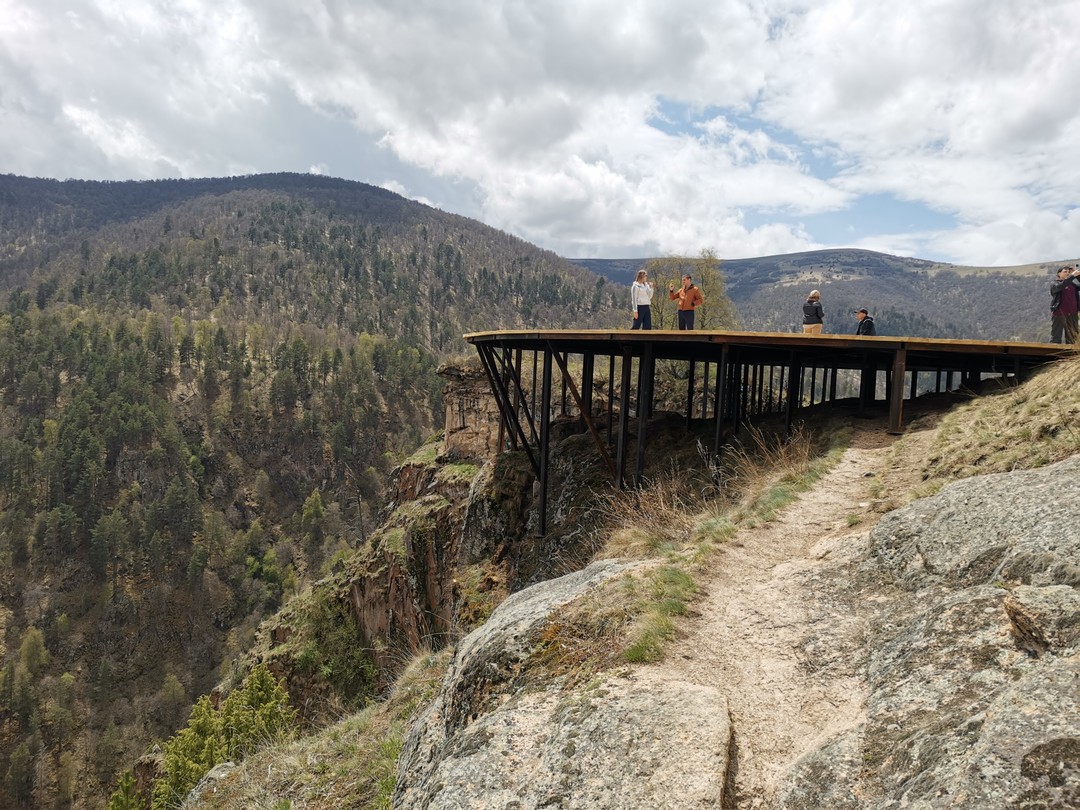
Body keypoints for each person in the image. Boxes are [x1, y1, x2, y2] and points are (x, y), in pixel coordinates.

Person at [1050, 265, 1080, 344]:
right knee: (1056, 337)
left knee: (1072, 338)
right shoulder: (1054, 283)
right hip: (1059, 314)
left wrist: (1077, 276)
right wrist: (1072, 276)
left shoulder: (1072, 285)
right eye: (1065, 272)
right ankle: (1052, 355)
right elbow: (1061, 286)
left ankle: (1070, 355)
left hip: (1072, 314)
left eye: (1068, 272)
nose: (1067, 273)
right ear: (1059, 274)